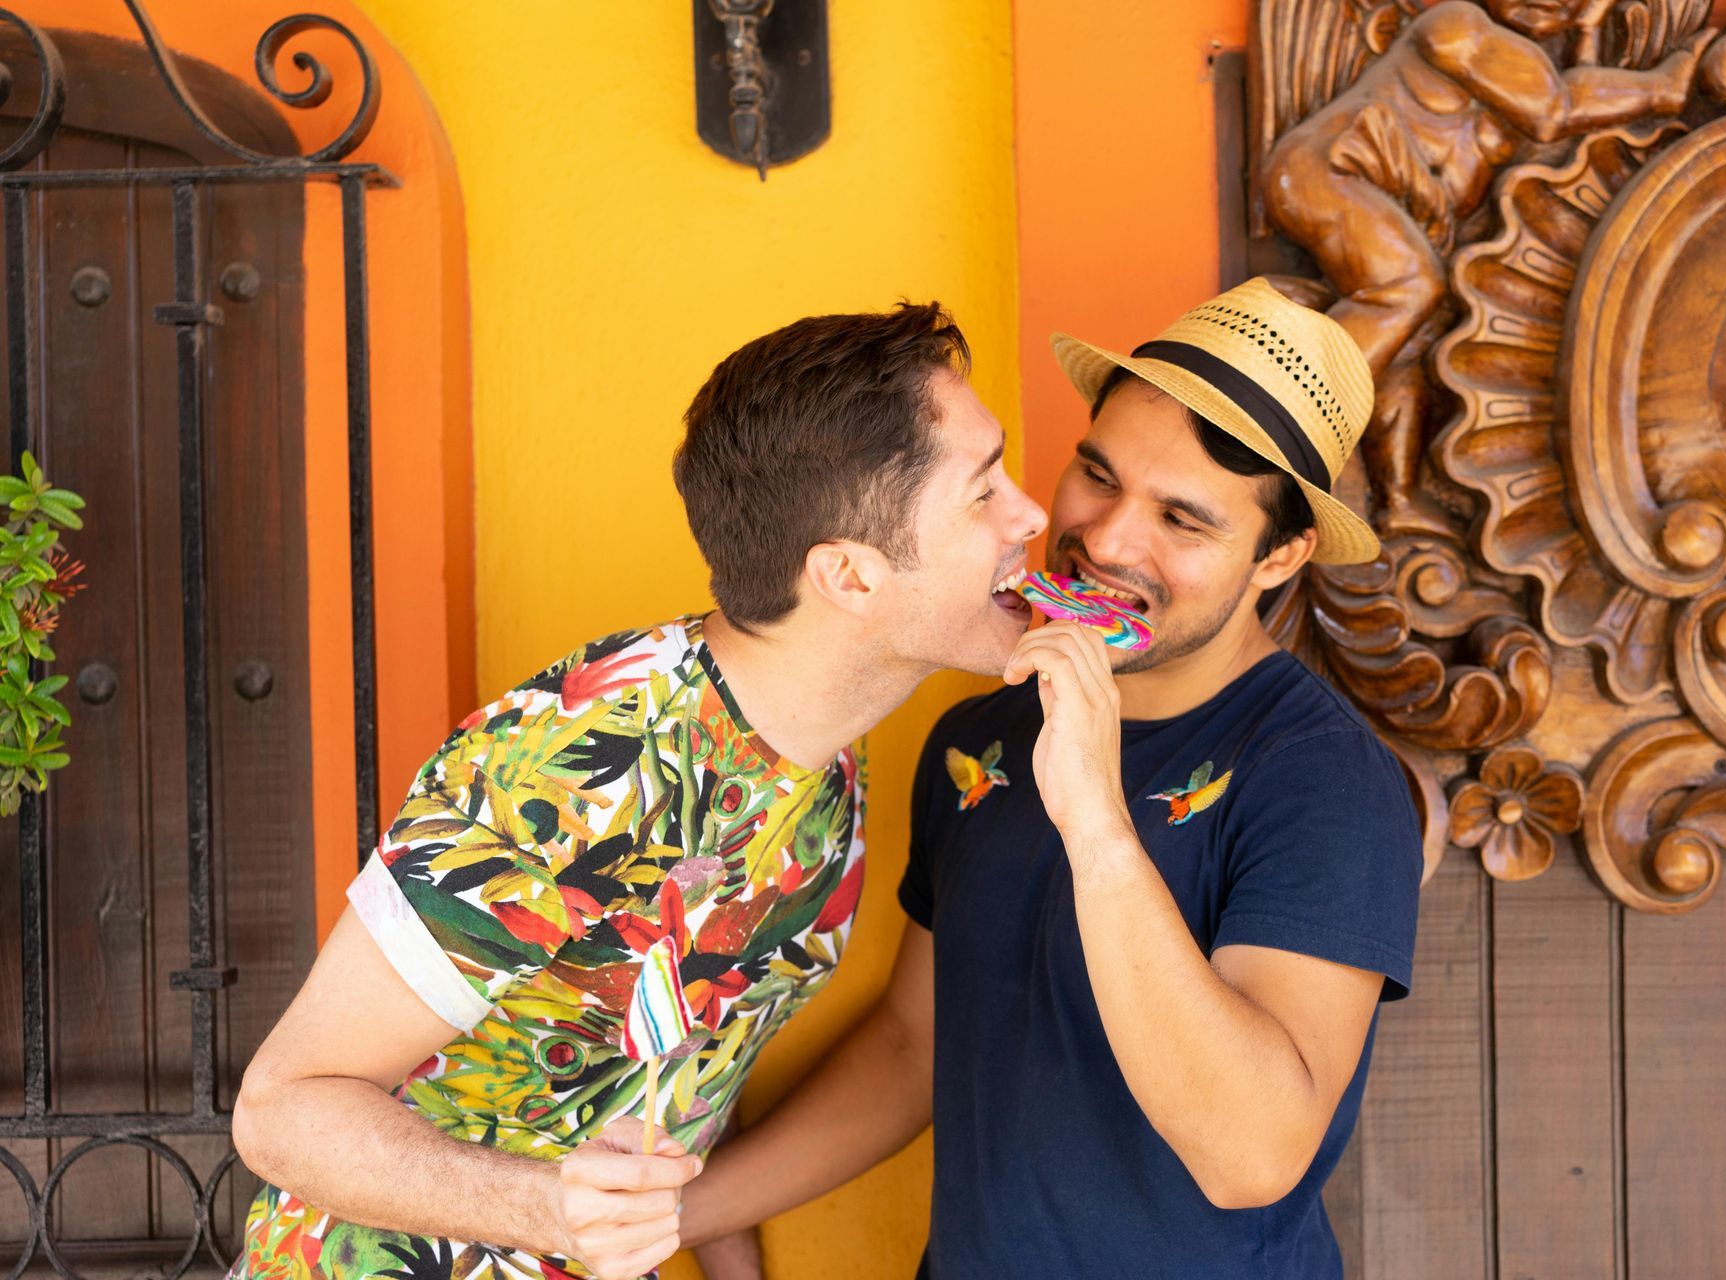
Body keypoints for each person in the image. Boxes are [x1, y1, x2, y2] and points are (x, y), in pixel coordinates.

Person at [227, 301, 1048, 1280]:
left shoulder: (820, 752)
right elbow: (282, 1109)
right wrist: (547, 1208)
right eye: (983, 491)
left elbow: (692, 1034)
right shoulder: (582, 756)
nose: (1031, 516)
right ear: (849, 577)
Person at [681, 278, 1424, 1277]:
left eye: (1183, 519)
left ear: (1280, 557)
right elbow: (913, 1049)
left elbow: (1252, 1156)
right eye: (1097, 474)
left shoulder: (1325, 780)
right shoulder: (979, 738)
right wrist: (675, 1216)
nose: (1107, 539)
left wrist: (1094, 816)